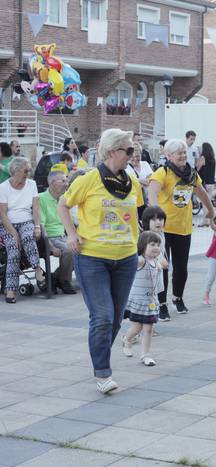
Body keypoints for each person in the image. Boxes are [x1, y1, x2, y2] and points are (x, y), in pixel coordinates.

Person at [57, 128, 144, 393]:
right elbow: (63, 204)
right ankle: (103, 373)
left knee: (116, 319)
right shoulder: (90, 179)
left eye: (133, 150)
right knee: (103, 316)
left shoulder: (132, 181)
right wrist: (71, 234)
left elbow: (135, 218)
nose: (133, 154)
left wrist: (139, 250)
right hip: (93, 258)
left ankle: (99, 357)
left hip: (126, 259)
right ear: (111, 151)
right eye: (128, 150)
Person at [149, 139, 215, 314]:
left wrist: (210, 209)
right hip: (163, 228)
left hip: (183, 226)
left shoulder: (191, 174)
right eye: (179, 153)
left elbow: (201, 192)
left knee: (181, 267)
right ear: (168, 155)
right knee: (163, 266)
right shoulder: (162, 172)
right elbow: (152, 192)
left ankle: (177, 298)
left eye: (184, 152)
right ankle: (161, 304)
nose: (183, 155)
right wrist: (155, 215)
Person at [0, 157, 47, 303]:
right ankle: (11, 290)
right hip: (8, 224)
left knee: (28, 236)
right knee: (13, 251)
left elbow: (36, 208)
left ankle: (37, 269)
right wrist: (14, 234)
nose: (28, 173)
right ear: (15, 171)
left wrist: (37, 226)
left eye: (29, 170)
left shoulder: (31, 184)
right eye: (26, 170)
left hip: (26, 221)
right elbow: (2, 215)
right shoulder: (3, 187)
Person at [121, 231, 162, 367]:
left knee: (148, 329)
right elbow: (130, 262)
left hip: (151, 301)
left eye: (158, 244)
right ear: (143, 245)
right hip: (138, 301)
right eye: (152, 244)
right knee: (137, 326)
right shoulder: (141, 260)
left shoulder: (156, 262)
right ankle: (127, 339)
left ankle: (145, 355)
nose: (156, 247)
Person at [38, 171, 76, 294]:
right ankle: (64, 281)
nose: (66, 184)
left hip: (63, 236)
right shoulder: (41, 198)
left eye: (67, 180)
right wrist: (52, 246)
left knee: (84, 250)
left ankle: (53, 278)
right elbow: (41, 226)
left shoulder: (63, 199)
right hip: (50, 238)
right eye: (63, 181)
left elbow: (69, 222)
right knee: (70, 251)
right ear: (52, 183)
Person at [141, 206, 170, 322]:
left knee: (153, 300)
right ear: (147, 221)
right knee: (149, 300)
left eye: (161, 219)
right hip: (147, 276)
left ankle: (149, 324)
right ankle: (141, 326)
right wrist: (161, 260)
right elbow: (150, 253)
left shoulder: (161, 234)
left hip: (156, 273)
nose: (158, 222)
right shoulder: (147, 236)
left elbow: (161, 250)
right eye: (154, 219)